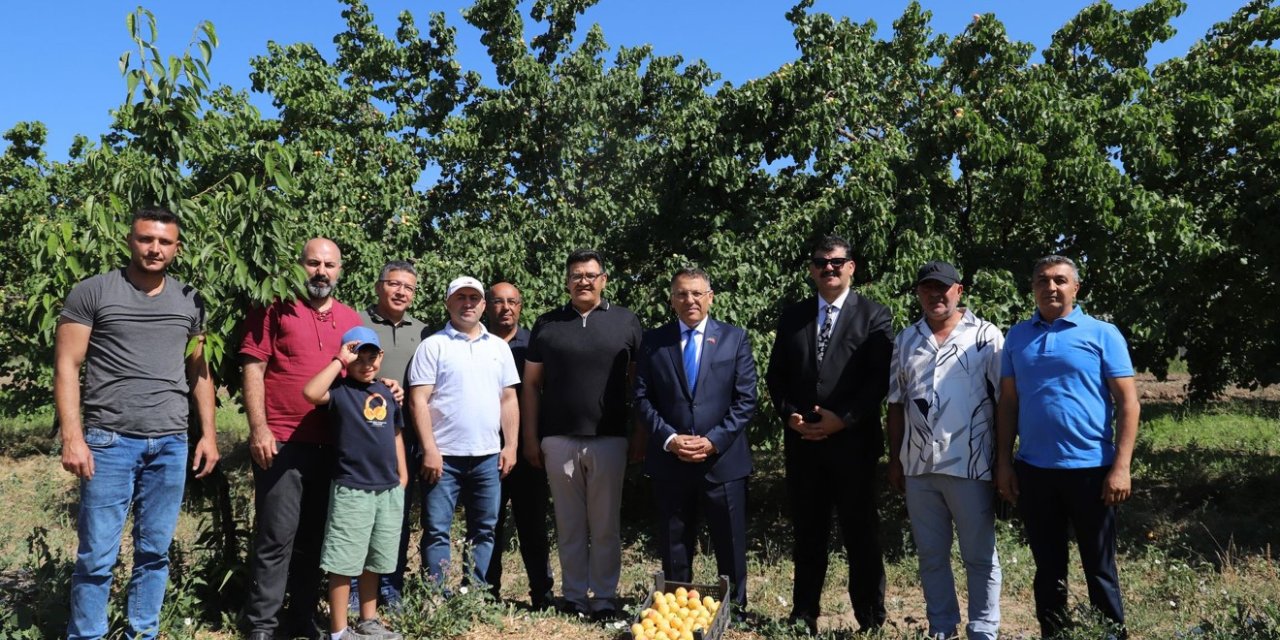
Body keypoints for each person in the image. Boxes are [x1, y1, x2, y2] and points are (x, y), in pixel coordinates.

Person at [55, 207, 219, 640]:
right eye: (146, 239)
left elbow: (199, 371)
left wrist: (209, 435)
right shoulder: (93, 292)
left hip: (171, 441)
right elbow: (67, 366)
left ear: (177, 248)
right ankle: (87, 635)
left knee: (155, 552)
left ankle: (142, 633)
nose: (155, 248)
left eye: (165, 242)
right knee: (97, 555)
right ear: (130, 241)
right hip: (109, 441)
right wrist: (73, 436)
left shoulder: (190, 298)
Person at [995, 255, 1140, 639]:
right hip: (1035, 471)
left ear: (1076, 287)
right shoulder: (1017, 336)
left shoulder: (1102, 334)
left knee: (1100, 569)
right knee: (1048, 570)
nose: (1051, 287)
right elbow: (1008, 404)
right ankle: (1054, 634)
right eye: (1043, 280)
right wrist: (1004, 463)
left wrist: (1121, 466)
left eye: (1060, 280)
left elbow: (1128, 403)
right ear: (1033, 288)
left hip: (1092, 471)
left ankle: (1110, 635)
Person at [765, 235, 893, 635]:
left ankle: (870, 618)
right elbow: (777, 376)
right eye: (821, 262)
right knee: (808, 534)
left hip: (853, 445)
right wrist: (790, 417)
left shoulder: (874, 315)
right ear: (812, 269)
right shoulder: (793, 317)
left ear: (851, 267)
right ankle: (804, 615)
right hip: (804, 445)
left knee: (862, 535)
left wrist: (845, 418)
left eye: (837, 262)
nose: (829, 269)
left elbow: (879, 379)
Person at [241, 238, 363, 640]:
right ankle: (262, 625)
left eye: (329, 265)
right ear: (300, 266)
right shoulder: (274, 307)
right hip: (282, 440)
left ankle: (301, 619)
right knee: (276, 537)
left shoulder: (350, 319)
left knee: (314, 539)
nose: (321, 272)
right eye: (313, 263)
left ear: (340, 270)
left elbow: (361, 377)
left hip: (332, 444)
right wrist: (259, 428)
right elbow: (254, 368)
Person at [522, 249, 644, 620]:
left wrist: (641, 434)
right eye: (576, 275)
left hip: (609, 440)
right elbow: (530, 385)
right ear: (567, 281)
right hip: (558, 440)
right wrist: (530, 438)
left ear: (604, 280)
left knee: (606, 525)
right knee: (569, 524)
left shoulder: (627, 322)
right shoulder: (547, 324)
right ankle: (574, 596)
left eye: (591, 275)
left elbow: (640, 385)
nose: (584, 281)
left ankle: (604, 597)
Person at [887, 261, 1003, 640]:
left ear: (959, 290)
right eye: (927, 288)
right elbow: (896, 404)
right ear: (919, 293)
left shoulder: (986, 336)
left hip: (971, 465)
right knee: (931, 555)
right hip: (919, 466)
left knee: (979, 556)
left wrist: (1004, 461)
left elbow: (1005, 403)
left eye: (943, 288)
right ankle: (941, 628)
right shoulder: (906, 339)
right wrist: (895, 460)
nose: (936, 295)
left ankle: (983, 629)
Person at [635, 267, 756, 610]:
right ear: (672, 300)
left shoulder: (735, 338)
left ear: (710, 297)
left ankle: (735, 610)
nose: (690, 300)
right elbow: (642, 398)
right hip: (671, 460)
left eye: (697, 293)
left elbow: (746, 399)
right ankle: (677, 609)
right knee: (674, 543)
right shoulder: (655, 341)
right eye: (682, 294)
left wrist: (714, 440)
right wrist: (670, 439)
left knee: (730, 543)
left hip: (722, 460)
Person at [406, 277, 520, 590]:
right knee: (437, 529)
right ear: (448, 303)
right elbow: (418, 399)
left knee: (484, 529)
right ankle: (436, 594)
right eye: (460, 297)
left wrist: (510, 446)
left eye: (474, 298)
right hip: (443, 456)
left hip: (487, 456)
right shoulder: (433, 346)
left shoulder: (498, 348)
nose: (467, 303)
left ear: (484, 305)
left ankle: (474, 593)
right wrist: (429, 448)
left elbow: (508, 399)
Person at [302, 327, 407, 640]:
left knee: (374, 560)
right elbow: (310, 393)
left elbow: (396, 433)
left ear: (380, 357)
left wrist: (403, 476)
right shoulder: (340, 391)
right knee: (345, 560)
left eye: (371, 356)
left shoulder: (388, 392)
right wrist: (339, 360)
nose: (366, 363)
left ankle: (368, 620)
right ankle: (339, 630)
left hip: (387, 489)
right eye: (357, 356)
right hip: (353, 489)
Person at [359, 260, 430, 605]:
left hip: (407, 436)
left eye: (409, 287)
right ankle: (357, 589)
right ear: (378, 286)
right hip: (363, 436)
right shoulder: (356, 322)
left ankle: (390, 586)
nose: (401, 292)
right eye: (394, 284)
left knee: (397, 514)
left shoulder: (424, 331)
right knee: (360, 513)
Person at [482, 282, 555, 609]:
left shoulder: (534, 346)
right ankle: (486, 593)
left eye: (512, 302)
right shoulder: (476, 343)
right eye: (498, 301)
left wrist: (535, 441)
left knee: (533, 524)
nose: (505, 308)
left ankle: (542, 594)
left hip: (528, 449)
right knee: (488, 524)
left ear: (521, 306)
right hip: (483, 448)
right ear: (487, 305)